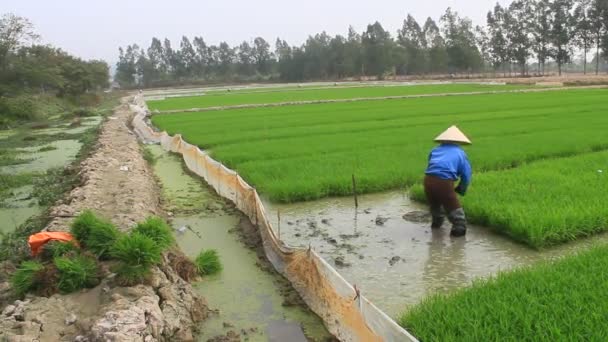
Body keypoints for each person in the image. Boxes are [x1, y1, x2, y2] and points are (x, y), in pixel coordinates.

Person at [424, 125, 472, 237]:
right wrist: (462, 189)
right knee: (455, 211)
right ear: (458, 141)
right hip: (444, 182)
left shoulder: (435, 150)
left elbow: (432, 165)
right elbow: (466, 174)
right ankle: (457, 241)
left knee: (435, 207)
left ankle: (435, 232)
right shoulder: (460, 153)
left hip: (428, 180)